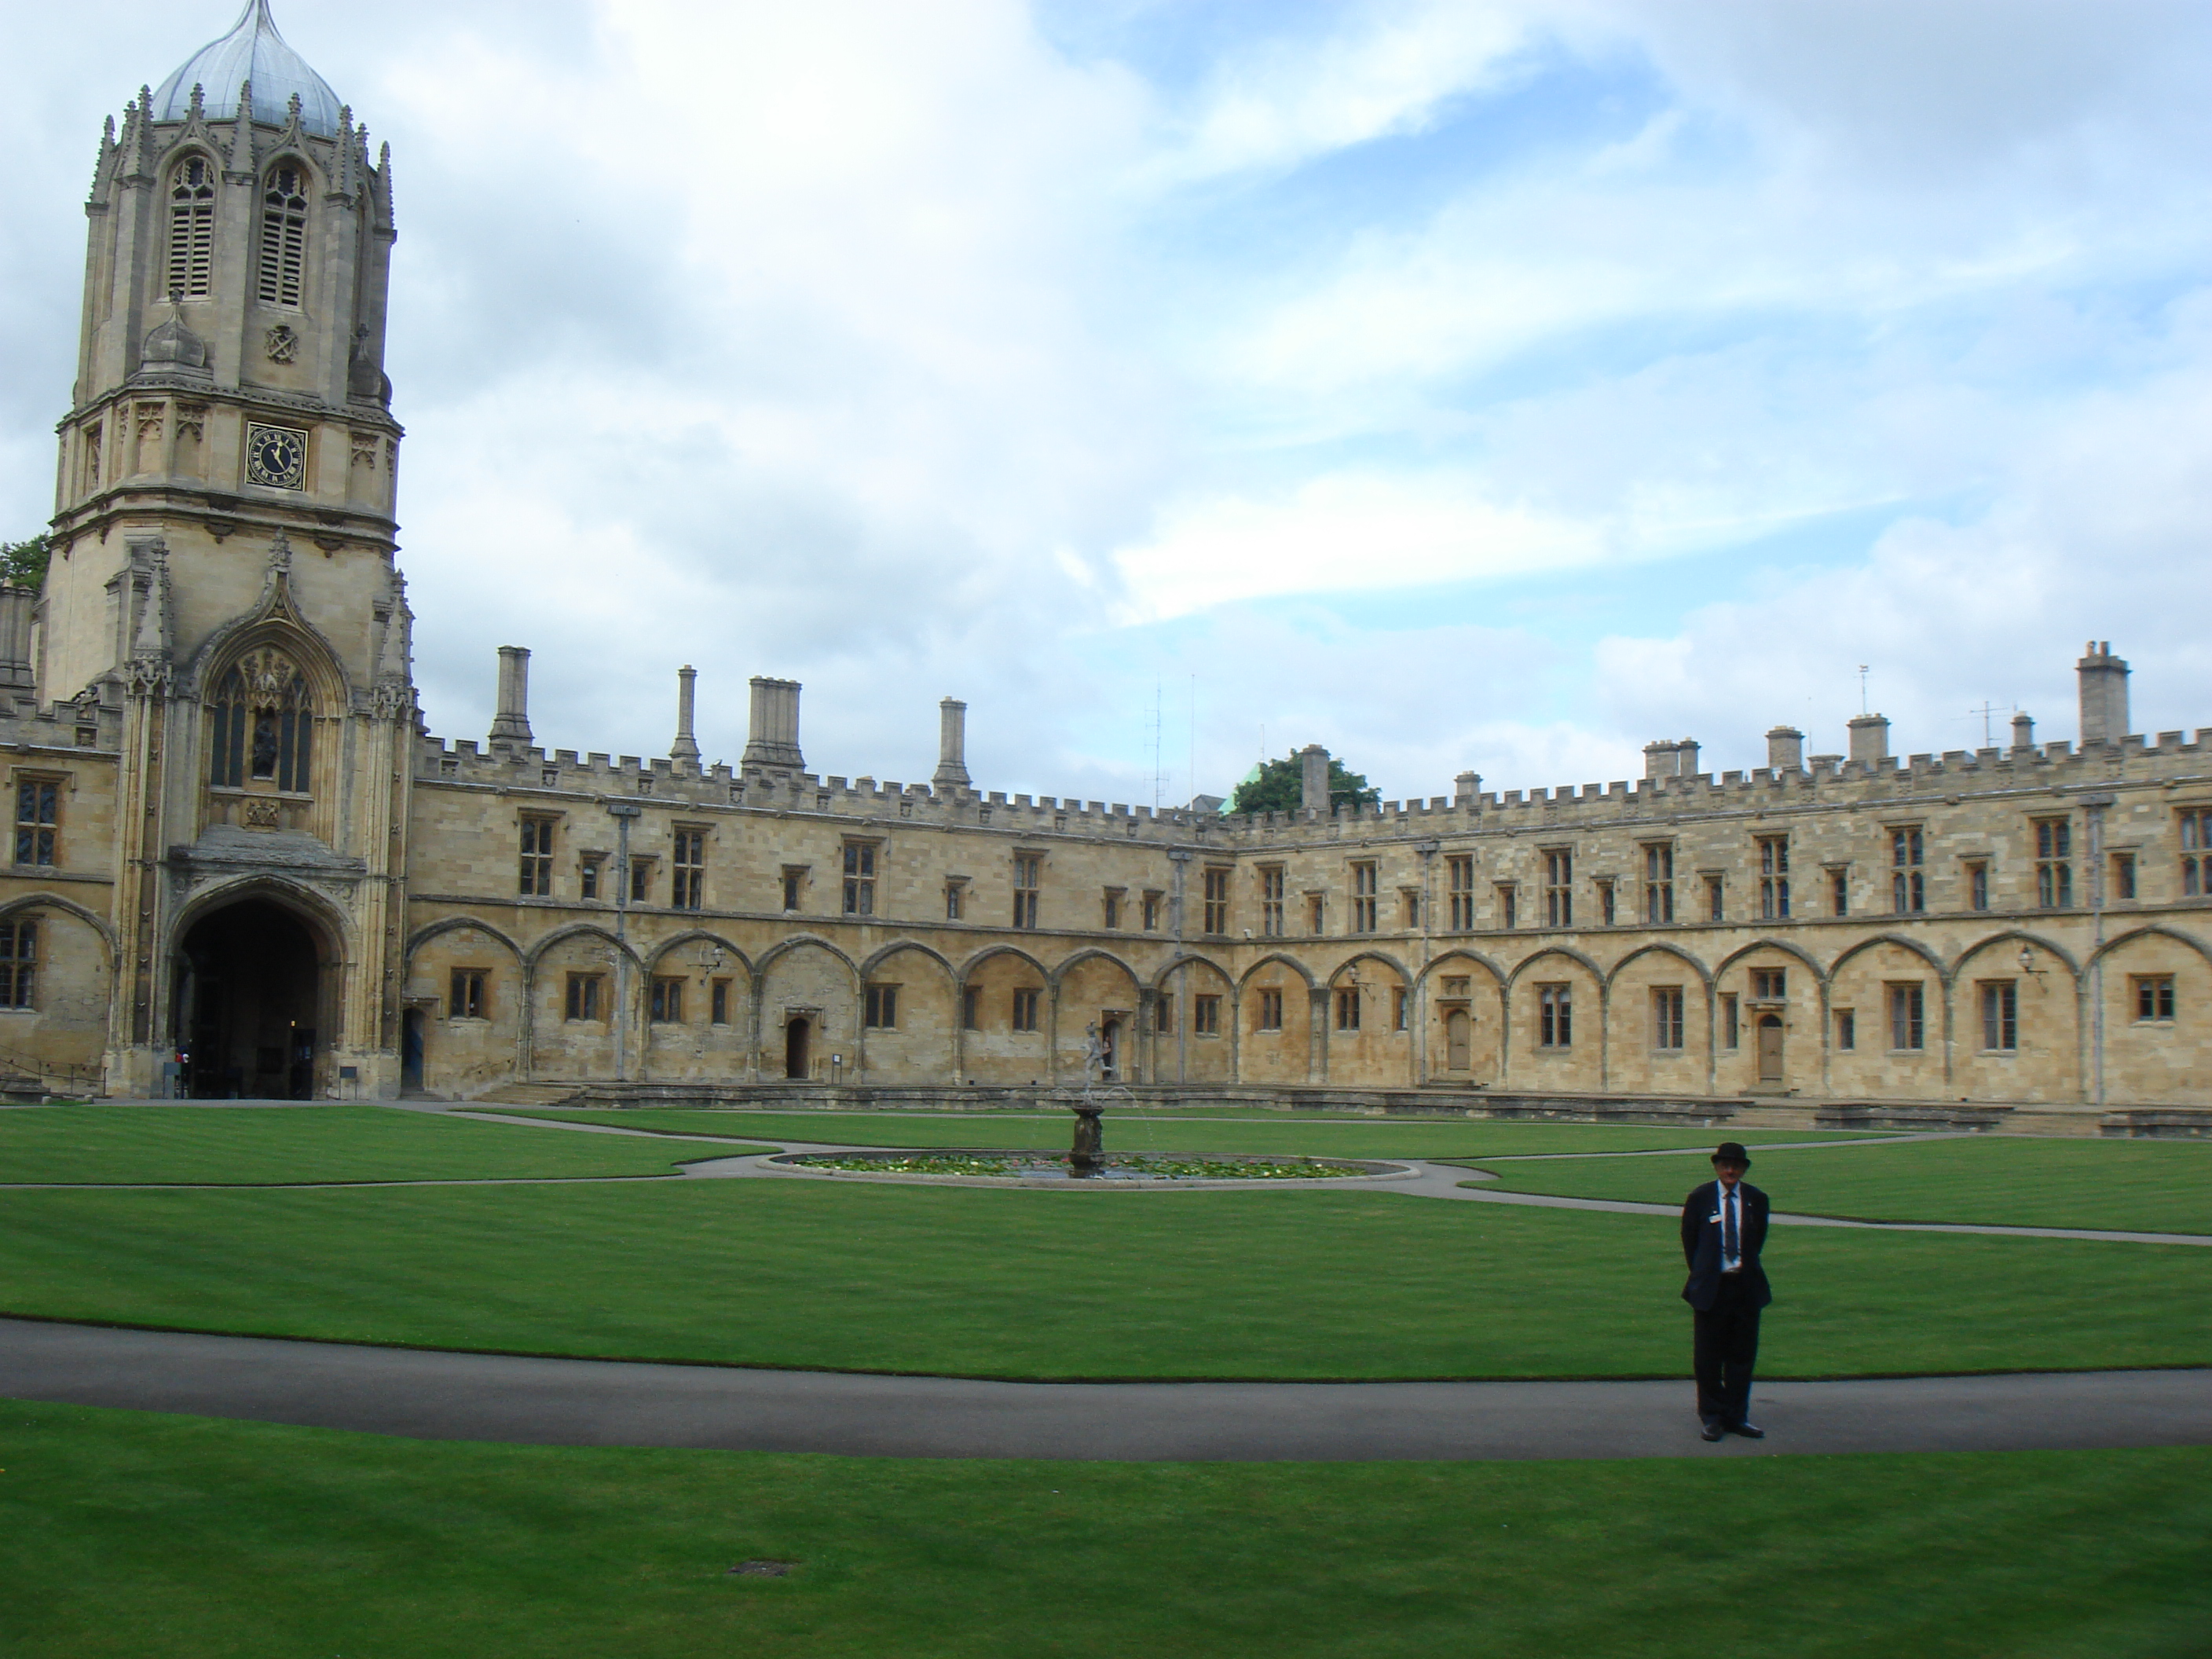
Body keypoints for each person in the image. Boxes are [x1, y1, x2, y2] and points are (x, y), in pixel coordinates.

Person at [1680, 1141, 1771, 1441]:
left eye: (1736, 1166)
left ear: (1743, 1169)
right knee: (1708, 1358)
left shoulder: (1757, 1199)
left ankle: (1737, 1416)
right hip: (1712, 1288)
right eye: (1725, 1165)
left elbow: (1757, 1242)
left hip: (1745, 1287)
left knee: (1742, 1356)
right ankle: (1712, 1416)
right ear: (1717, 1167)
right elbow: (1691, 1242)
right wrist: (1705, 1273)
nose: (1730, 1171)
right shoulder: (1700, 1198)